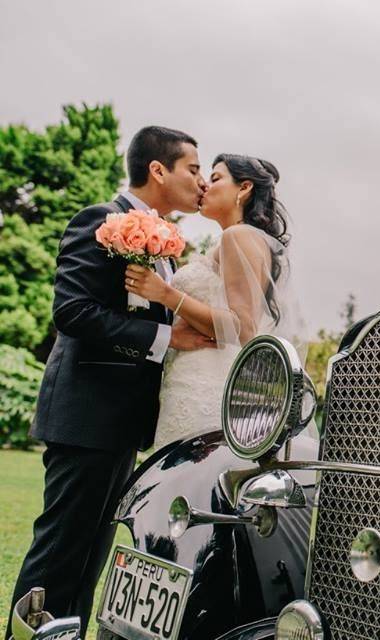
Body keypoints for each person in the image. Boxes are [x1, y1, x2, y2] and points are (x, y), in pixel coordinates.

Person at [5, 126, 215, 638]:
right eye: (193, 168)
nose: (201, 180)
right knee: (60, 552)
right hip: (86, 414)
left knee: (90, 556)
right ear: (158, 170)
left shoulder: (164, 243)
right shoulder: (99, 222)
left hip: (124, 423)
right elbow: (72, 311)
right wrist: (166, 340)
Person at [124, 153, 300, 447]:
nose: (204, 185)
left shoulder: (238, 237)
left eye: (216, 178)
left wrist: (165, 294)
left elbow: (242, 327)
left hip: (202, 387)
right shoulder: (242, 239)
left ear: (244, 189)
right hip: (200, 379)